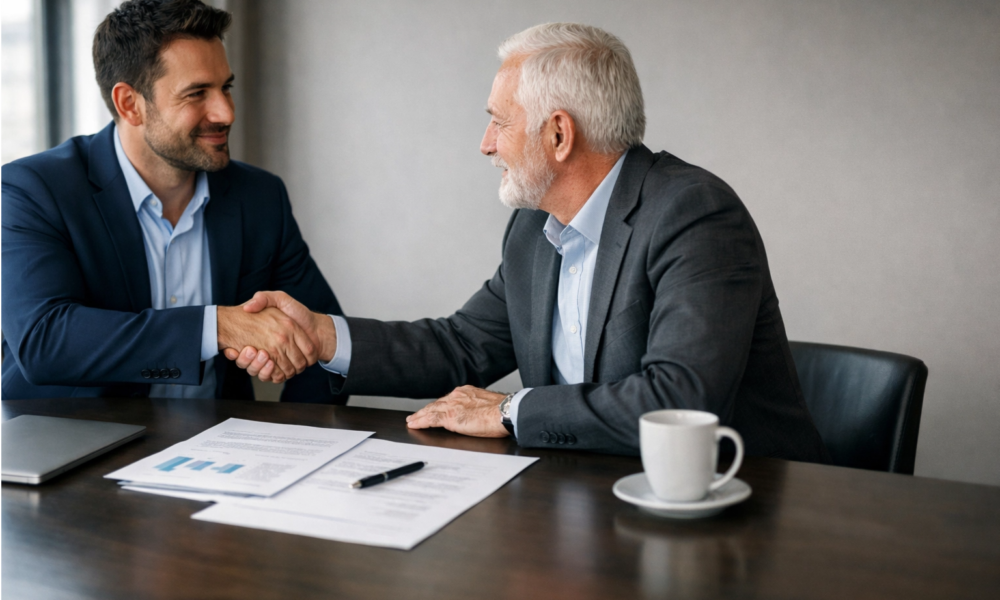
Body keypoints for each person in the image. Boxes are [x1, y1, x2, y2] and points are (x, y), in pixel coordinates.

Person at [229, 23, 829, 461]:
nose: (486, 144)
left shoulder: (695, 215)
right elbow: (461, 346)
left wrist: (508, 410)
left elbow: (679, 401)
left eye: (499, 121)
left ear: (559, 134)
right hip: (590, 494)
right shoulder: (532, 228)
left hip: (742, 510)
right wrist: (321, 337)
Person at [0, 0, 344, 403]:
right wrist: (216, 326)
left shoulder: (260, 197)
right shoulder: (31, 190)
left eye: (225, 87)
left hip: (223, 450)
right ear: (130, 104)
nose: (226, 111)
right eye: (197, 93)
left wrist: (298, 442)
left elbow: (324, 341)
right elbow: (45, 343)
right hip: (74, 447)